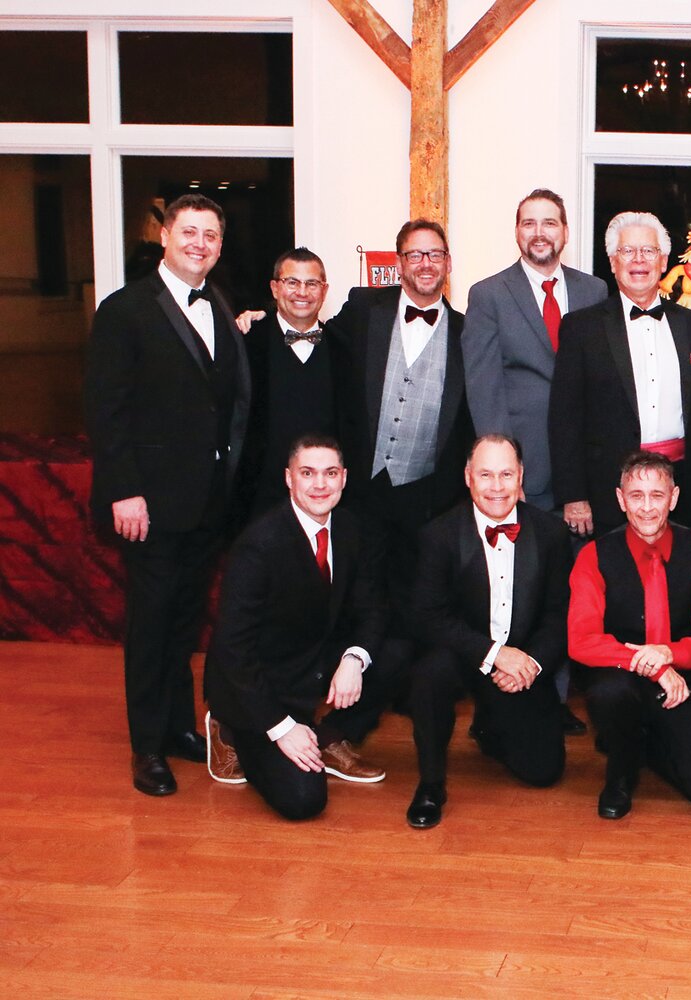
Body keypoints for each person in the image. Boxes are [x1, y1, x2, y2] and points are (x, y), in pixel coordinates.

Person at [84, 193, 251, 796]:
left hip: (206, 503)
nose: (199, 243)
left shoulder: (221, 304)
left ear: (220, 245)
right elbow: (107, 412)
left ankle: (180, 727)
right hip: (149, 506)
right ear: (165, 235)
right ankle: (147, 746)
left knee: (184, 622)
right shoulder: (124, 310)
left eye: (210, 235)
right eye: (189, 232)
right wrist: (125, 491)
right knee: (152, 626)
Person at [463, 188, 608, 736]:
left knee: (568, 585)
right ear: (517, 231)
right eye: (529, 223)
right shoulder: (488, 294)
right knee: (511, 586)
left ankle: (557, 694)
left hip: (582, 468)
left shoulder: (595, 290)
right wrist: (504, 474)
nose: (540, 232)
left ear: (566, 232)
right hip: (520, 470)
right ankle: (499, 701)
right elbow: (484, 387)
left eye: (550, 222)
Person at [203, 435, 387, 820]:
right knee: (303, 801)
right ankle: (229, 730)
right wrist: (281, 727)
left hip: (316, 668)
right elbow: (233, 649)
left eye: (330, 473)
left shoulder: (352, 529)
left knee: (399, 654)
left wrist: (354, 658)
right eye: (308, 473)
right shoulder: (259, 546)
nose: (320, 484)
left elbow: (372, 607)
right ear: (289, 478)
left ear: (344, 478)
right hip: (262, 690)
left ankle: (329, 732)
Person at [324, 219, 473, 681]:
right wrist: (258, 320)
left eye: (434, 254)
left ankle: (403, 686)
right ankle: (346, 676)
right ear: (399, 262)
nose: (425, 264)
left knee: (415, 593)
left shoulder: (469, 332)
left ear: (448, 263)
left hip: (427, 489)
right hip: (363, 484)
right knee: (358, 587)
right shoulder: (363, 308)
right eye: (414, 254)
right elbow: (310, 339)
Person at [403, 434, 572, 828]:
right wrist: (495, 654)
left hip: (522, 661)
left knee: (543, 772)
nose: (496, 487)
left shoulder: (551, 534)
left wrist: (529, 662)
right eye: (485, 475)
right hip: (463, 654)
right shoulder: (439, 535)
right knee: (429, 676)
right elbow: (427, 616)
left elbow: (559, 615)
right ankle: (430, 783)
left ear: (521, 477)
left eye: (506, 474)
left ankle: (490, 725)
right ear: (467, 477)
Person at [568, 451, 691, 819]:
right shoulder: (593, 556)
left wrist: (671, 655)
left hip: (686, 681)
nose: (646, 508)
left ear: (674, 498)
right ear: (620, 499)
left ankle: (645, 741)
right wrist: (653, 665)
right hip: (622, 678)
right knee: (610, 692)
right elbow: (580, 639)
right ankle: (620, 771)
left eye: (657, 496)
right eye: (636, 496)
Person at [549, 211, 691, 539]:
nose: (639, 260)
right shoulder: (582, 328)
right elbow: (564, 418)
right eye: (627, 251)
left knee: (679, 585)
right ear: (612, 262)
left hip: (680, 491)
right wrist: (574, 495)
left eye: (649, 251)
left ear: (665, 261)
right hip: (609, 494)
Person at [238, 247, 338, 519]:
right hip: (257, 500)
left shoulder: (344, 347)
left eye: (311, 284)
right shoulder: (246, 341)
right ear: (274, 288)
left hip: (325, 500)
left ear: (324, 290)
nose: (302, 292)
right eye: (292, 282)